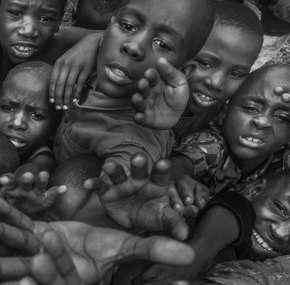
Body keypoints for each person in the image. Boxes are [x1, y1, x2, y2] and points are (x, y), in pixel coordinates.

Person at [51, 0, 215, 172]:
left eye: (162, 44)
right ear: (109, 26)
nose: (133, 46)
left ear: (182, 71)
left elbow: (127, 174)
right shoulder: (96, 60)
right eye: (128, 26)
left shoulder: (134, 143)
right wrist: (92, 40)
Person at [171, 64, 290, 197]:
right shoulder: (211, 144)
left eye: (282, 117)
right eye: (251, 108)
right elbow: (180, 165)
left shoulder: (283, 160)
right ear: (223, 113)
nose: (262, 122)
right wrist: (172, 177)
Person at [173, 1, 264, 140]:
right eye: (205, 63)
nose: (216, 83)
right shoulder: (145, 95)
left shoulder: (222, 116)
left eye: (236, 74)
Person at [0, 61, 56, 178]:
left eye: (36, 116)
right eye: (8, 108)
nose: (17, 123)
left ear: (54, 128)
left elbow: (38, 168)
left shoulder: (43, 160)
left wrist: (26, 176)